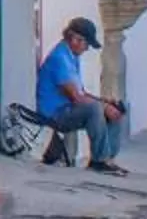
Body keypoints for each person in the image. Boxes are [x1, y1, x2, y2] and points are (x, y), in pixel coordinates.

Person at [36, 16, 130, 176]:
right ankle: (99, 161)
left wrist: (106, 102)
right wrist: (102, 107)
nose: (86, 49)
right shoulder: (59, 58)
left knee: (116, 107)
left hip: (68, 109)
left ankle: (108, 159)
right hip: (55, 114)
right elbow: (76, 98)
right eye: (86, 44)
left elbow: (82, 92)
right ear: (75, 39)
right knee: (95, 109)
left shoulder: (72, 57)